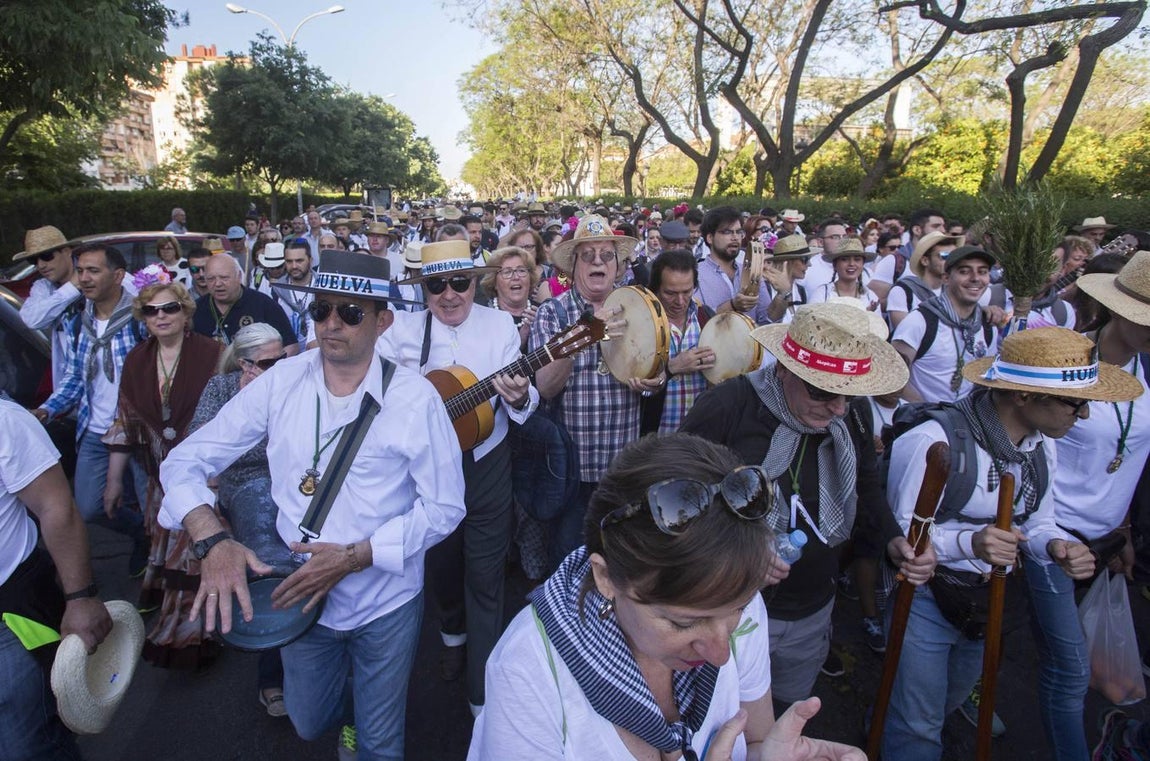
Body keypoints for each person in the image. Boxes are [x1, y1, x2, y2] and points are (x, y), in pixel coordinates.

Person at [159, 249, 467, 761]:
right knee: (307, 721)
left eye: (350, 313)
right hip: (299, 596)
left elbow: (445, 508)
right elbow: (184, 460)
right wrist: (212, 539)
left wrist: (356, 556)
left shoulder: (416, 399)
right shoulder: (281, 381)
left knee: (380, 743)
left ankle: (363, 728)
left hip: (384, 601)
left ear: (383, 321)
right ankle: (348, 712)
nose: (331, 323)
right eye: (321, 310)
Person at [469, 432, 868, 760]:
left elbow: (758, 738)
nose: (721, 653)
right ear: (605, 577)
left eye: (738, 610)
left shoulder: (733, 600)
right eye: (682, 622)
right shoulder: (528, 674)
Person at [881, 326, 1140, 761]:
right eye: (1075, 404)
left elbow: (1038, 520)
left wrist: (1056, 546)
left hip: (988, 601)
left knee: (944, 704)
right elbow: (902, 539)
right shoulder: (933, 441)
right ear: (1023, 396)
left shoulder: (1040, 447)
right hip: (924, 597)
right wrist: (971, 543)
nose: (1083, 416)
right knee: (918, 724)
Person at [680, 303, 935, 715]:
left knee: (786, 714)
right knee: (723, 716)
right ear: (783, 369)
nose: (837, 408)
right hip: (731, 608)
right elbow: (681, 497)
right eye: (821, 391)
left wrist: (893, 539)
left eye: (848, 394)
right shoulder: (730, 406)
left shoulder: (852, 414)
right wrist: (741, 549)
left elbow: (867, 486)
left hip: (815, 607)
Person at [380, 239, 536, 716]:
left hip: (487, 462)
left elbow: (527, 407)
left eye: (459, 282)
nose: (449, 295)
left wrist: (517, 397)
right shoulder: (399, 333)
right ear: (423, 289)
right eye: (436, 285)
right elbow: (375, 397)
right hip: (426, 470)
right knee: (443, 564)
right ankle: (452, 635)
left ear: (475, 283)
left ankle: (481, 700)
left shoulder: (500, 327)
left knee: (486, 577)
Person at [1022, 253, 1150, 760]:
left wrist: (1124, 533)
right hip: (1053, 533)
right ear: (1116, 310)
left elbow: (1135, 458)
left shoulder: (1147, 369)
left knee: (1063, 649)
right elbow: (1029, 442)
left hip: (1107, 541)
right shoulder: (1065, 360)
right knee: (1069, 665)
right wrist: (1047, 534)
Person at [102, 267, 221, 667]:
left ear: (186, 312)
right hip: (158, 478)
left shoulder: (215, 352)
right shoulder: (136, 361)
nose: (161, 316)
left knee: (191, 552)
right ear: (143, 317)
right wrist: (114, 480)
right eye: (152, 311)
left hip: (206, 475)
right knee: (168, 547)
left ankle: (189, 634)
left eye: (170, 308)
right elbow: (125, 424)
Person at [530, 215, 660, 568]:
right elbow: (545, 387)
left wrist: (652, 382)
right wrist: (583, 335)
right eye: (587, 255)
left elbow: (657, 374)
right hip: (570, 471)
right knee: (569, 563)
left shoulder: (640, 309)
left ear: (618, 267)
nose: (598, 262)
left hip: (621, 469)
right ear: (573, 267)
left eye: (607, 255)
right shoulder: (552, 313)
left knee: (619, 564)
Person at [0, 400, 112, 761]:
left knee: (29, 748)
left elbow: (57, 508)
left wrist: (81, 598)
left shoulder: (5, 421)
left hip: (12, 618)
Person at [189, 322, 288, 717]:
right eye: (268, 362)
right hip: (246, 480)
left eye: (283, 358)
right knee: (269, 558)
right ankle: (272, 676)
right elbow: (199, 446)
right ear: (245, 365)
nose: (280, 366)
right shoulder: (221, 390)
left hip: (294, 478)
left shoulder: (290, 384)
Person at [32, 245, 149, 573]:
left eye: (93, 271)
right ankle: (139, 532)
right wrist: (46, 410)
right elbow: (74, 379)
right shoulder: (77, 320)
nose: (84, 278)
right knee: (89, 507)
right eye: (81, 270)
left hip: (138, 430)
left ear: (118, 275)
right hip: (95, 430)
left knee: (155, 504)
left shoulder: (140, 318)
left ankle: (158, 571)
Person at [892, 245, 998, 403]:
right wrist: (928, 413)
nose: (975, 278)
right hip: (921, 420)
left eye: (982, 272)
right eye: (964, 271)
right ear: (946, 278)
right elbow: (892, 376)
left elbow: (984, 377)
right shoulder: (919, 322)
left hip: (964, 419)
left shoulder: (987, 326)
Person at [643, 249, 712, 435]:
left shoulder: (706, 319)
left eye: (687, 291)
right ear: (656, 288)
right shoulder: (643, 324)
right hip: (656, 440)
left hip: (699, 439)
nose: (680, 301)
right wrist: (671, 368)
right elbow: (636, 390)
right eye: (670, 293)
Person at [15, 226, 81, 386]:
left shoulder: (98, 275)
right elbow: (31, 320)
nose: (40, 265)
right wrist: (71, 289)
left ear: (66, 251)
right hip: (70, 381)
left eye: (46, 256)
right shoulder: (43, 286)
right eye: (33, 261)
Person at [191, 254, 297, 352]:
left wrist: (269, 368)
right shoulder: (195, 310)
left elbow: (291, 346)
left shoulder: (264, 305)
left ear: (239, 276)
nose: (218, 284)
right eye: (211, 279)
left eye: (224, 278)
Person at [886, 231, 962, 330]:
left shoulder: (953, 291)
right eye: (945, 256)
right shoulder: (903, 290)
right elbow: (905, 331)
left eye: (954, 256)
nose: (951, 261)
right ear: (925, 261)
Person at [481, 246, 540, 352]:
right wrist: (520, 340)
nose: (516, 277)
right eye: (507, 272)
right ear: (494, 282)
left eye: (521, 270)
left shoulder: (544, 312)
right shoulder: (482, 317)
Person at [806, 237, 880, 311]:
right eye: (845, 259)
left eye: (857, 259)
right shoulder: (822, 294)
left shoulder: (870, 296)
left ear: (863, 264)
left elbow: (878, 322)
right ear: (835, 264)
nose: (851, 264)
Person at [759, 234, 813, 325]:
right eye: (805, 259)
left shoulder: (801, 291)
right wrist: (784, 293)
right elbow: (765, 324)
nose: (809, 264)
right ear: (787, 262)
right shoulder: (764, 288)